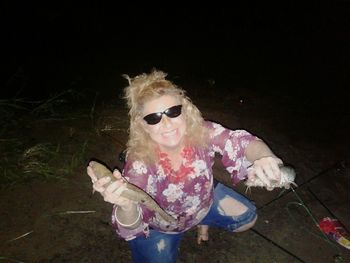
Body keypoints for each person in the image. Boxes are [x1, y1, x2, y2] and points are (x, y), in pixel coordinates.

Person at [87, 70, 284, 263]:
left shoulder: (202, 131)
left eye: (173, 111)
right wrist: (126, 205)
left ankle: (202, 220)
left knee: (247, 218)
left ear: (185, 111)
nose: (166, 123)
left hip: (202, 204)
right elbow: (131, 225)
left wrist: (265, 157)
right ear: (143, 125)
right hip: (161, 226)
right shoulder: (139, 162)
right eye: (153, 118)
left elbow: (242, 142)